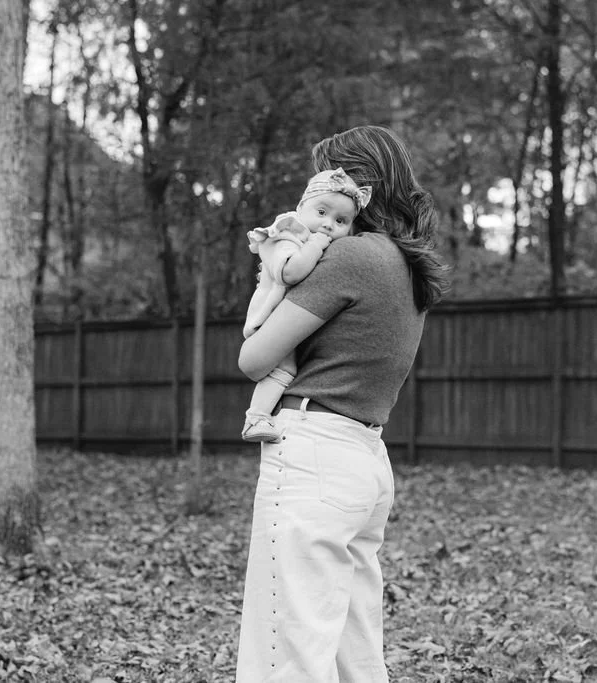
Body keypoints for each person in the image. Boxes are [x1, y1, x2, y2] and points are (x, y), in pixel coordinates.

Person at [235, 125, 449, 682]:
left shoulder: (350, 256)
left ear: (356, 187)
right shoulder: (407, 264)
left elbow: (255, 359)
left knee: (288, 648)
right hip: (364, 460)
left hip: (313, 455)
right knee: (355, 653)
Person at [241, 168, 372, 443]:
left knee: (290, 370)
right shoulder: (286, 235)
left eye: (340, 221)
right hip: (269, 318)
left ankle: (262, 415)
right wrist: (317, 244)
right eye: (322, 213)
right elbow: (291, 272)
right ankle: (255, 418)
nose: (328, 225)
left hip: (288, 316)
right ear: (301, 208)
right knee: (283, 370)